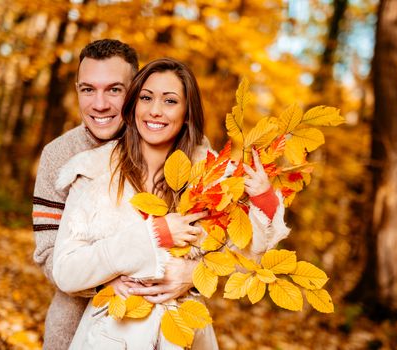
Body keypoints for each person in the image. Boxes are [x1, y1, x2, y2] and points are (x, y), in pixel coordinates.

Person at [52, 58, 291, 349]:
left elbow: (246, 261)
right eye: (146, 98)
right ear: (133, 107)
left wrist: (193, 274)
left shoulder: (210, 178)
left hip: (184, 337)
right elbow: (66, 271)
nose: (155, 110)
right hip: (111, 336)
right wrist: (152, 236)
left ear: (187, 114)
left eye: (170, 100)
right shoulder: (94, 173)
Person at [32, 40, 201, 350]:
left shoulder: (174, 145)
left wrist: (193, 274)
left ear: (135, 90)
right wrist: (105, 277)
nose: (99, 104)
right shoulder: (60, 157)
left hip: (166, 328)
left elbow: (217, 244)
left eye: (113, 90)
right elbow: (48, 251)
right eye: (87, 90)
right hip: (74, 323)